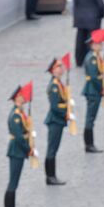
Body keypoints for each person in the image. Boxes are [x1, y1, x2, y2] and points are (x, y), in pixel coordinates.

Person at [4, 83, 34, 207]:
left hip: (18, 150)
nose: (24, 97)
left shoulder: (20, 113)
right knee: (13, 180)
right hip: (17, 150)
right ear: (17, 98)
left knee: (15, 180)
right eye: (22, 96)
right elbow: (18, 136)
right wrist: (28, 150)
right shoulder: (16, 116)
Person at [44, 56, 70, 186]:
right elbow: (55, 106)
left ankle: (51, 175)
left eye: (61, 66)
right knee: (52, 148)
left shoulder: (59, 83)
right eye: (58, 66)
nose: (61, 68)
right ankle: (50, 176)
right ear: (53, 70)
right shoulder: (54, 86)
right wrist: (66, 113)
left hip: (58, 119)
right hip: (55, 120)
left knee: (54, 147)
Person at [71, 0, 104, 67]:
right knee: (92, 41)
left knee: (80, 40)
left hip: (80, 19)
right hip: (93, 19)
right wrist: (101, 16)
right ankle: (91, 59)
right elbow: (100, 5)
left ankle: (79, 60)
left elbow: (76, 3)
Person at [82, 28, 104, 153]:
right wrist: (102, 89)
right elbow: (94, 77)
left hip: (94, 90)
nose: (101, 45)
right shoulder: (92, 59)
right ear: (93, 45)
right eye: (99, 43)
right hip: (93, 90)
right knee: (90, 118)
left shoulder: (95, 57)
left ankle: (89, 144)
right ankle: (89, 144)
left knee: (91, 117)